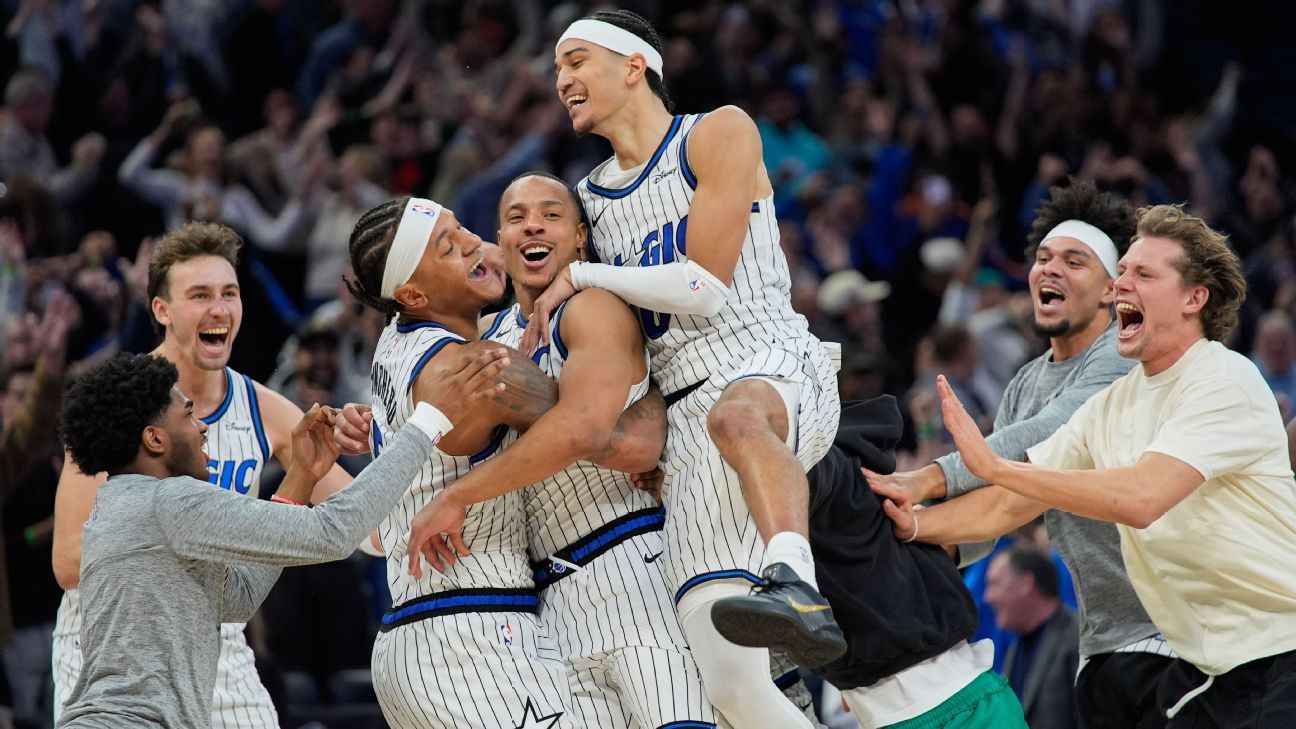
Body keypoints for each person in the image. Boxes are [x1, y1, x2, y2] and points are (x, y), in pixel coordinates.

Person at [539, 10, 844, 726]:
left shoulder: (717, 131)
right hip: (682, 418)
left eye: (576, 61)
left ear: (634, 66)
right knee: (730, 684)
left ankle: (795, 577)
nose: (561, 80)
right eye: (557, 69)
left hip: (766, 359)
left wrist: (585, 274)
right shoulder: (590, 200)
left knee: (736, 416)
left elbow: (705, 287)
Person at [933, 204, 1296, 726]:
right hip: (1200, 669)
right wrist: (907, 520)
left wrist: (982, 468)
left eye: (1143, 274)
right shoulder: (1108, 404)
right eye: (1123, 269)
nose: (1123, 282)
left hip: (1273, 653)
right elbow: (1006, 507)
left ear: (1194, 298)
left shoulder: (1223, 378)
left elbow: (1141, 498)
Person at [402, 171, 714, 726]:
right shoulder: (487, 337)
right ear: (500, 240)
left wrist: (457, 497)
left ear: (580, 238)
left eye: (550, 215)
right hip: (548, 600)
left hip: (629, 565)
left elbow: (602, 437)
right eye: (517, 218)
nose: (533, 227)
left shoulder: (591, 307)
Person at [54, 350, 505, 728]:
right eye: (188, 415)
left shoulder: (116, 506)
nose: (204, 427)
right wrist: (427, 421)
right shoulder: (170, 501)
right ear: (155, 439)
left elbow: (238, 598)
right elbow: (334, 533)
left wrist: (301, 478)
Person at [871, 181, 1173, 728]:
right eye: (1043, 258)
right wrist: (908, 539)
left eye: (1074, 262)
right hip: (1102, 639)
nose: (1050, 269)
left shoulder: (1122, 358)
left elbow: (1047, 436)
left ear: (1111, 291)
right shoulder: (1025, 383)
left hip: (1173, 632)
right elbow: (998, 512)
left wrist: (923, 482)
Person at [50, 223, 353, 726]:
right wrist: (182, 535)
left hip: (216, 638)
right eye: (200, 295)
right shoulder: (116, 402)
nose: (219, 309)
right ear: (162, 311)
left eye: (229, 294)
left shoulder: (264, 408)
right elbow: (66, 560)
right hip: (114, 641)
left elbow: (360, 524)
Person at [339, 197, 593, 727]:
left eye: (462, 229)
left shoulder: (395, 340)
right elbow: (598, 432)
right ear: (413, 294)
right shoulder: (474, 369)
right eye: (449, 247)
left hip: (413, 639)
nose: (475, 242)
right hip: (473, 636)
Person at [986, 546, 1079, 729]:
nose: (988, 597)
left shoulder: (1076, 640)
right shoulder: (1016, 645)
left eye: (995, 584)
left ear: (1025, 584)